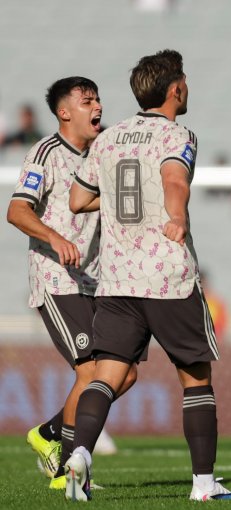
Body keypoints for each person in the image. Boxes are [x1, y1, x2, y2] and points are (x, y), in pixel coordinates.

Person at [66, 49, 231, 502]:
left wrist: (128, 206)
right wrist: (175, 215)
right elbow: (174, 180)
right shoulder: (177, 134)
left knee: (106, 375)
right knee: (195, 377)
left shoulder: (109, 138)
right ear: (176, 88)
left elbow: (77, 201)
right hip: (166, 275)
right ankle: (203, 484)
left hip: (117, 278)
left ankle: (81, 453)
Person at [7, 77, 139, 490]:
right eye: (87, 100)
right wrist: (55, 237)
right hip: (56, 279)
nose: (97, 105)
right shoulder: (45, 153)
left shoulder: (103, 155)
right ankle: (66, 472)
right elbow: (16, 211)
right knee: (91, 371)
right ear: (65, 112)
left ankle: (48, 434)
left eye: (98, 98)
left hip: (95, 281)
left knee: (125, 373)